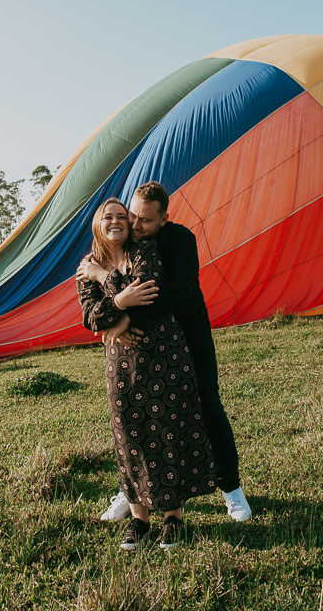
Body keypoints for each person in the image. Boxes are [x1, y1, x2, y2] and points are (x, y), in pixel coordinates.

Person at [81, 181, 253, 522]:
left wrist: (123, 319)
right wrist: (114, 306)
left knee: (208, 405)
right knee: (133, 417)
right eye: (132, 215)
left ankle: (231, 488)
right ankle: (133, 491)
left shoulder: (180, 239)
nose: (135, 224)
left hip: (188, 331)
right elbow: (95, 310)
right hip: (143, 344)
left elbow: (174, 292)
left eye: (145, 220)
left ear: (164, 219)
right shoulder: (122, 244)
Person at [77, 197, 217, 551]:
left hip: (163, 355)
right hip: (121, 365)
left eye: (121, 216)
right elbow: (92, 318)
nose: (115, 221)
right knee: (129, 434)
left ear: (129, 223)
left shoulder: (144, 252)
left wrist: (105, 281)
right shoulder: (87, 266)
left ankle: (174, 518)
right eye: (107, 217)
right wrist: (119, 302)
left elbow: (148, 290)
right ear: (98, 225)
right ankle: (140, 521)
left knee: (168, 428)